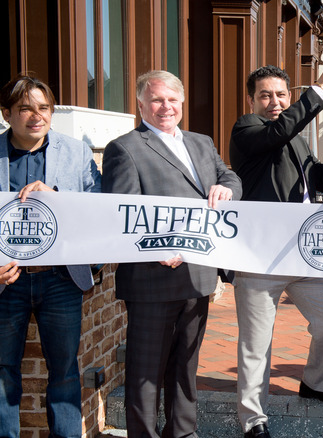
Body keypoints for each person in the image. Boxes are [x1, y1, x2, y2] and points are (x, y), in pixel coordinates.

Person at [102, 70, 242, 438]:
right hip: (152, 278)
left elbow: (229, 176)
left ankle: (183, 432)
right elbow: (123, 211)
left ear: (182, 103)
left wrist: (226, 189)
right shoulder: (125, 148)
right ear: (141, 104)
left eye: (172, 100)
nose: (166, 107)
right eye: (157, 100)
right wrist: (156, 248)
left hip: (197, 276)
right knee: (146, 372)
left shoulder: (201, 142)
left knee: (185, 368)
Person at [228, 64, 323, 438]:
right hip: (259, 257)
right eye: (266, 95)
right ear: (252, 100)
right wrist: (318, 90)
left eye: (281, 94)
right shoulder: (246, 129)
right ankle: (253, 418)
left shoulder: (296, 137)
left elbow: (313, 180)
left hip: (303, 253)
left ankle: (315, 382)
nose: (275, 102)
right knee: (256, 343)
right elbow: (279, 132)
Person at [0, 74, 101, 438]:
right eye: (24, 108)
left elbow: (97, 209)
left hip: (60, 280)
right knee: (2, 372)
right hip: (5, 283)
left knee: (64, 370)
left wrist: (55, 196)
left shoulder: (76, 153)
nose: (35, 115)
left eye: (43, 107)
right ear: (7, 113)